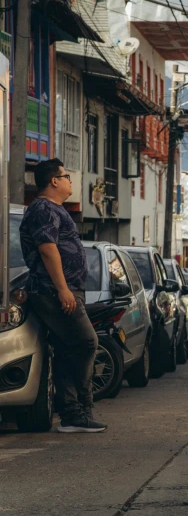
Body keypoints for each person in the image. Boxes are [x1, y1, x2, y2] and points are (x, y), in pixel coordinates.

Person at [19, 159, 106, 433]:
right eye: (66, 176)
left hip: (62, 290)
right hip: (51, 290)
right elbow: (47, 249)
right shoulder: (43, 208)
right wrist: (62, 288)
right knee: (86, 343)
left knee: (69, 348)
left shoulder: (54, 209)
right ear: (54, 181)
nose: (71, 180)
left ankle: (72, 414)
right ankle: (77, 409)